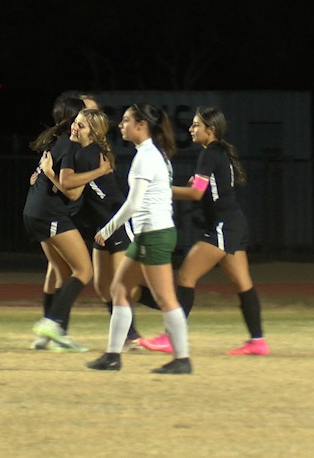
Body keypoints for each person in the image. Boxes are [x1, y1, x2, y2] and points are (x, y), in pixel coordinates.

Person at [139, 106, 269, 356]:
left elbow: (196, 193)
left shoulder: (209, 153)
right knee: (242, 283)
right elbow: (201, 188)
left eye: (196, 125)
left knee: (186, 276)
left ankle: (170, 338)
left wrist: (161, 189)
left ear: (211, 130)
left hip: (223, 225)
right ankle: (257, 341)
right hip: (233, 223)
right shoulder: (218, 152)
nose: (191, 128)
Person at [86, 103, 192, 374]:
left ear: (141, 125)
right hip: (149, 234)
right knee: (119, 290)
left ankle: (182, 359)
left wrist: (107, 230)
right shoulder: (151, 154)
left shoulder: (147, 156)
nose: (120, 125)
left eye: (126, 121)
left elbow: (133, 204)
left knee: (166, 299)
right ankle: (112, 355)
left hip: (154, 235)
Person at [47, 108, 147, 348]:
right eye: (75, 123)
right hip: (101, 230)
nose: (74, 127)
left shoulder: (89, 154)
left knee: (123, 287)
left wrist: (50, 173)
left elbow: (69, 185)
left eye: (81, 125)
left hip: (117, 225)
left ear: (93, 132)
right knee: (103, 288)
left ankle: (136, 330)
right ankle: (131, 332)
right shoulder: (85, 152)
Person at [23, 95, 92, 351]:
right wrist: (98, 171)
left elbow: (39, 177)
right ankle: (52, 324)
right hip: (50, 213)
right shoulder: (74, 147)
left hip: (34, 211)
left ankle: (50, 336)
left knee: (61, 273)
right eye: (85, 114)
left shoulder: (55, 141)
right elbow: (72, 192)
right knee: (84, 271)